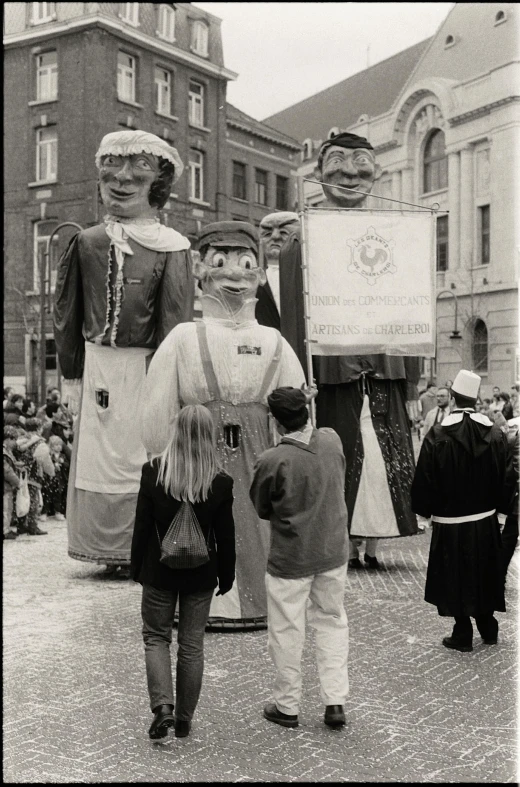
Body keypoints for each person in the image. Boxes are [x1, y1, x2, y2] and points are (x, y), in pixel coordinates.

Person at [141, 221, 306, 629]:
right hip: (197, 455)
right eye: (220, 262)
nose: (234, 274)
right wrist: (164, 457)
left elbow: (295, 411)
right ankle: (204, 602)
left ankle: (252, 600)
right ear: (201, 270)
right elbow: (157, 408)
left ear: (261, 276)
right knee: (199, 521)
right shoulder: (183, 337)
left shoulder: (274, 341)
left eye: (245, 264)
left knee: (251, 520)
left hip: (256, 459)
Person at [53, 130, 194, 577]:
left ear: (160, 181)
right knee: (98, 457)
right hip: (98, 367)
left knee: (144, 452)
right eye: (111, 167)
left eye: (138, 169)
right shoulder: (88, 241)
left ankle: (141, 545)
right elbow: (67, 312)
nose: (121, 178)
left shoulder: (172, 247)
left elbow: (174, 316)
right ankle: (101, 547)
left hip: (146, 367)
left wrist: (168, 377)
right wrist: (71, 374)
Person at [278, 131, 420, 571]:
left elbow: (411, 304)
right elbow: (295, 315)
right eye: (337, 164)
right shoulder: (302, 239)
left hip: (385, 367)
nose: (350, 174)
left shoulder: (397, 232)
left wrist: (412, 381)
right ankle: (346, 542)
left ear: (375, 172)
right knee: (340, 455)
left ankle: (374, 543)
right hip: (331, 369)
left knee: (383, 460)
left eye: (360, 165)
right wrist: (298, 375)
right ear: (318, 174)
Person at [131, 405, 236, 740]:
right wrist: (227, 574)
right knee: (191, 645)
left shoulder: (154, 472)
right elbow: (226, 534)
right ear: (209, 436)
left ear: (175, 431)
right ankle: (185, 720)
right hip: (201, 573)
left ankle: (163, 708)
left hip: (159, 571)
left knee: (156, 637)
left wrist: (136, 567)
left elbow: (143, 526)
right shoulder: (219, 481)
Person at [250, 387, 349, 729]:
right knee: (332, 623)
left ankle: (287, 705)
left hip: (292, 556)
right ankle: (335, 701)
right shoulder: (332, 440)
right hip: (332, 550)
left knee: (286, 630)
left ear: (276, 422)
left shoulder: (271, 460)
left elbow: (262, 507)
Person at [411, 370, 509, 652]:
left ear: (453, 398)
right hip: (484, 520)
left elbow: (425, 477)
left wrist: (424, 513)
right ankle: (488, 627)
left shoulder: (438, 435)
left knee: (454, 575)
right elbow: (506, 476)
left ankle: (462, 631)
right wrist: (501, 513)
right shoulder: (494, 434)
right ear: (476, 399)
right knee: (483, 571)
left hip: (450, 521)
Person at [256, 212, 300, 330]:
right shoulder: (252, 282)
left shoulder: (309, 280)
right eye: (267, 233)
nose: (275, 237)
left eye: (284, 232)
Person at [15, 418, 55, 536]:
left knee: (21, 499)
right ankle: (32, 526)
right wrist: (51, 472)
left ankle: (21, 525)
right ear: (39, 428)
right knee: (33, 501)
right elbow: (44, 461)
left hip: (20, 474)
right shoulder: (40, 443)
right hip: (33, 475)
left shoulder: (20, 440)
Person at [500, 414, 519, 584]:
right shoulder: (513, 427)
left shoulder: (512, 427)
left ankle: (498, 576)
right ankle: (498, 575)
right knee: (509, 538)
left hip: (514, 498)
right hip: (515, 498)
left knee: (509, 538)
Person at [3, 426, 22, 540]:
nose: (15, 442)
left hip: (7, 486)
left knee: (7, 508)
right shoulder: (4, 452)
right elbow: (7, 471)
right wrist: (17, 482)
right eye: (14, 439)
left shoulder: (7, 451)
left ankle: (6, 528)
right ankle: (5, 531)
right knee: (6, 509)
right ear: (8, 439)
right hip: (5, 486)